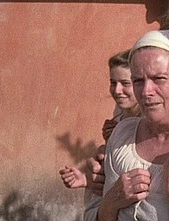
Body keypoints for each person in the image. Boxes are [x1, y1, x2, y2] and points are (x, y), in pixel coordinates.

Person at [79, 30, 169, 221]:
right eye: (138, 80)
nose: (146, 91)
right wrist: (113, 200)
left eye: (159, 79)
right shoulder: (122, 135)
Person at [60, 49, 140, 192]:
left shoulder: (151, 120)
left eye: (125, 83)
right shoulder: (120, 113)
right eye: (113, 83)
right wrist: (86, 178)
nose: (117, 90)